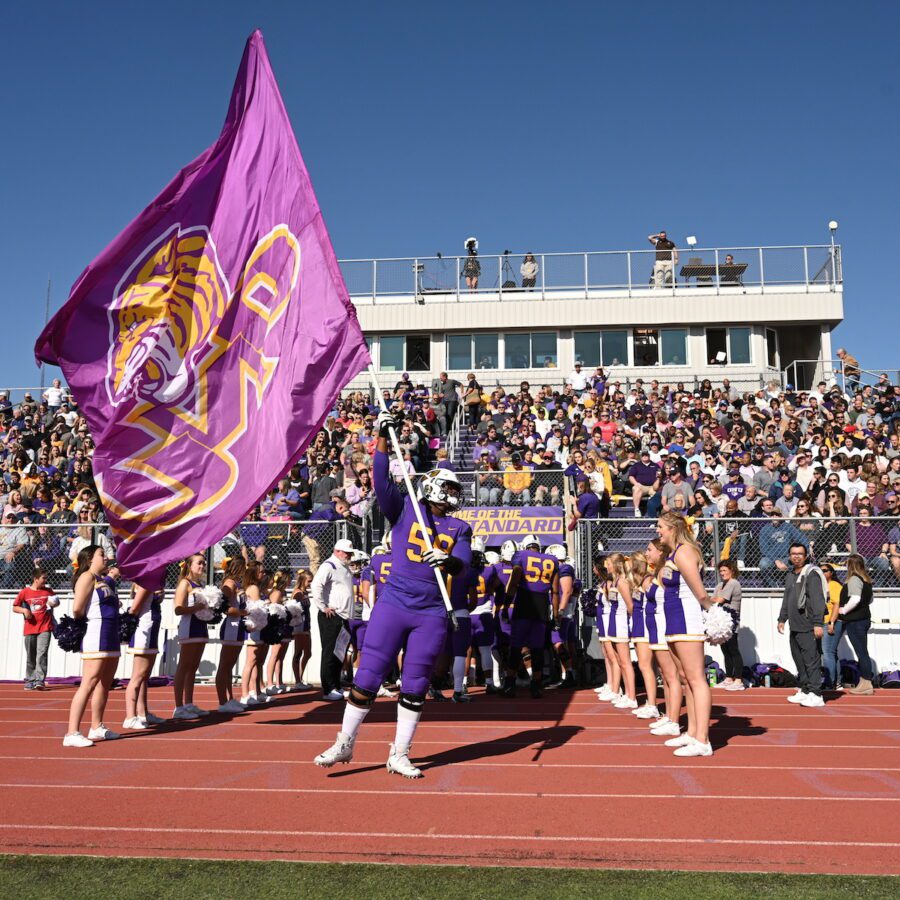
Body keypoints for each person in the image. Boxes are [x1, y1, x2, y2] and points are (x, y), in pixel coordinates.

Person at [315, 411, 472, 778]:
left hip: (432, 610)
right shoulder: (405, 509)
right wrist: (383, 436)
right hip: (395, 602)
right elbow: (382, 478)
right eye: (448, 489)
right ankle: (345, 742)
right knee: (368, 675)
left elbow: (463, 565)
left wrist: (446, 560)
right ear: (432, 487)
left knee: (415, 683)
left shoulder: (460, 527)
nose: (453, 496)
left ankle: (399, 753)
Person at [655, 512, 714, 757]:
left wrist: (715, 615)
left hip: (687, 620)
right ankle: (691, 733)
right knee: (684, 678)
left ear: (672, 528)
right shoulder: (673, 553)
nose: (657, 530)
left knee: (696, 678)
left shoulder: (684, 552)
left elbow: (700, 593)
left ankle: (703, 740)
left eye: (660, 526)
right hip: (675, 621)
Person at [62, 544, 121, 747]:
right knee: (89, 682)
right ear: (89, 559)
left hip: (111, 635)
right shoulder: (87, 577)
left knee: (105, 683)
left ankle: (97, 726)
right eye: (101, 555)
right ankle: (72, 732)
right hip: (97, 634)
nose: (106, 558)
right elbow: (77, 608)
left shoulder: (103, 581)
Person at [502, 534, 559, 699]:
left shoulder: (520, 556)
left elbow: (514, 580)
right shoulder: (552, 559)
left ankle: (510, 684)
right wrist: (556, 614)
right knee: (537, 648)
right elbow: (555, 591)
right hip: (541, 607)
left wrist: (506, 604)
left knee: (516, 645)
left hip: (524, 604)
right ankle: (536, 685)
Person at [777, 543, 827, 708]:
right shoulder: (790, 574)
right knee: (799, 660)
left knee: (811, 660)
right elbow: (787, 598)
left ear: (805, 556)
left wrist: (818, 623)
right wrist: (782, 618)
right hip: (795, 626)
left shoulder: (811, 574)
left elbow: (817, 600)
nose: (796, 556)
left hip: (807, 625)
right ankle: (805, 690)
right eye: (793, 553)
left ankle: (816, 694)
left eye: (800, 554)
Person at [310, 538, 355, 701]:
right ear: (338, 551)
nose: (349, 556)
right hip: (332, 616)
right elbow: (316, 585)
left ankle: (335, 685)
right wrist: (323, 607)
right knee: (330, 652)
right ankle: (328, 688)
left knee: (339, 653)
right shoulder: (329, 565)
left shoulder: (343, 567)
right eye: (347, 553)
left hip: (343, 616)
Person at [171, 553, 211, 720]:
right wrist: (197, 608)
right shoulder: (184, 584)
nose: (202, 566)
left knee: (193, 666)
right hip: (189, 628)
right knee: (184, 666)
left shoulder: (200, 583)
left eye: (203, 564)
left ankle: (188, 703)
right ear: (189, 565)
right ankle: (178, 707)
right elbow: (178, 609)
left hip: (201, 627)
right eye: (199, 563)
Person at [122, 585, 166, 729]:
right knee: (138, 676)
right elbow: (134, 609)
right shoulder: (145, 581)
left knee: (145, 676)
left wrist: (160, 594)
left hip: (152, 628)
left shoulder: (153, 582)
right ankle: (130, 716)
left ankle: (143, 713)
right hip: (143, 631)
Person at [13, 564, 57, 691]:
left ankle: (40, 680)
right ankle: (30, 679)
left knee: (42, 653)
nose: (45, 580)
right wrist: (23, 611)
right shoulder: (24, 592)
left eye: (46, 578)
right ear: (35, 579)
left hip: (45, 627)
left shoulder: (48, 591)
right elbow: (15, 606)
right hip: (30, 628)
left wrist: (54, 603)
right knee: (30, 655)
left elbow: (55, 602)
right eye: (43, 578)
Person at [215, 556, 250, 713]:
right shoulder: (229, 583)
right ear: (238, 567)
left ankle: (229, 698)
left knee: (230, 665)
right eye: (243, 567)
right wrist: (243, 612)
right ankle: (222, 701)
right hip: (231, 626)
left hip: (238, 627)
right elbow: (224, 608)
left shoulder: (237, 582)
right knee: (225, 665)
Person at [839, 554, 875, 695]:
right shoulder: (866, 580)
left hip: (856, 621)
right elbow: (870, 600)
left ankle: (866, 682)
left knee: (861, 652)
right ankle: (864, 682)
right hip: (864, 619)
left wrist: (843, 610)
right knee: (863, 651)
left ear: (851, 565)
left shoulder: (854, 579)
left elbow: (855, 599)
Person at [711, 560, 745, 690]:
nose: (722, 573)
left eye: (725, 570)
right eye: (720, 571)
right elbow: (712, 601)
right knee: (725, 651)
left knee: (733, 650)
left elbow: (719, 600)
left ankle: (739, 680)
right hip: (720, 623)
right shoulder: (719, 585)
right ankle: (729, 678)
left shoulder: (733, 583)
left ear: (731, 570)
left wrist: (713, 599)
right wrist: (713, 599)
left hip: (730, 622)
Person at [820, 563, 844, 690]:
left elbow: (836, 605)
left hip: (831, 621)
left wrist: (831, 622)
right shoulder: (821, 586)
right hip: (823, 622)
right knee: (831, 654)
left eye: (825, 570)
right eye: (820, 570)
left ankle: (830, 682)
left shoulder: (834, 585)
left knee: (827, 653)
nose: (822, 573)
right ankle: (836, 682)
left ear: (831, 573)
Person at [289, 569, 313, 690]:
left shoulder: (304, 593)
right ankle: (297, 681)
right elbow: (293, 609)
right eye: (309, 581)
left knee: (308, 653)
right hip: (300, 626)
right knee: (298, 652)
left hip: (306, 625)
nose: (310, 583)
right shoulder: (297, 593)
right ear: (303, 580)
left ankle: (301, 678)